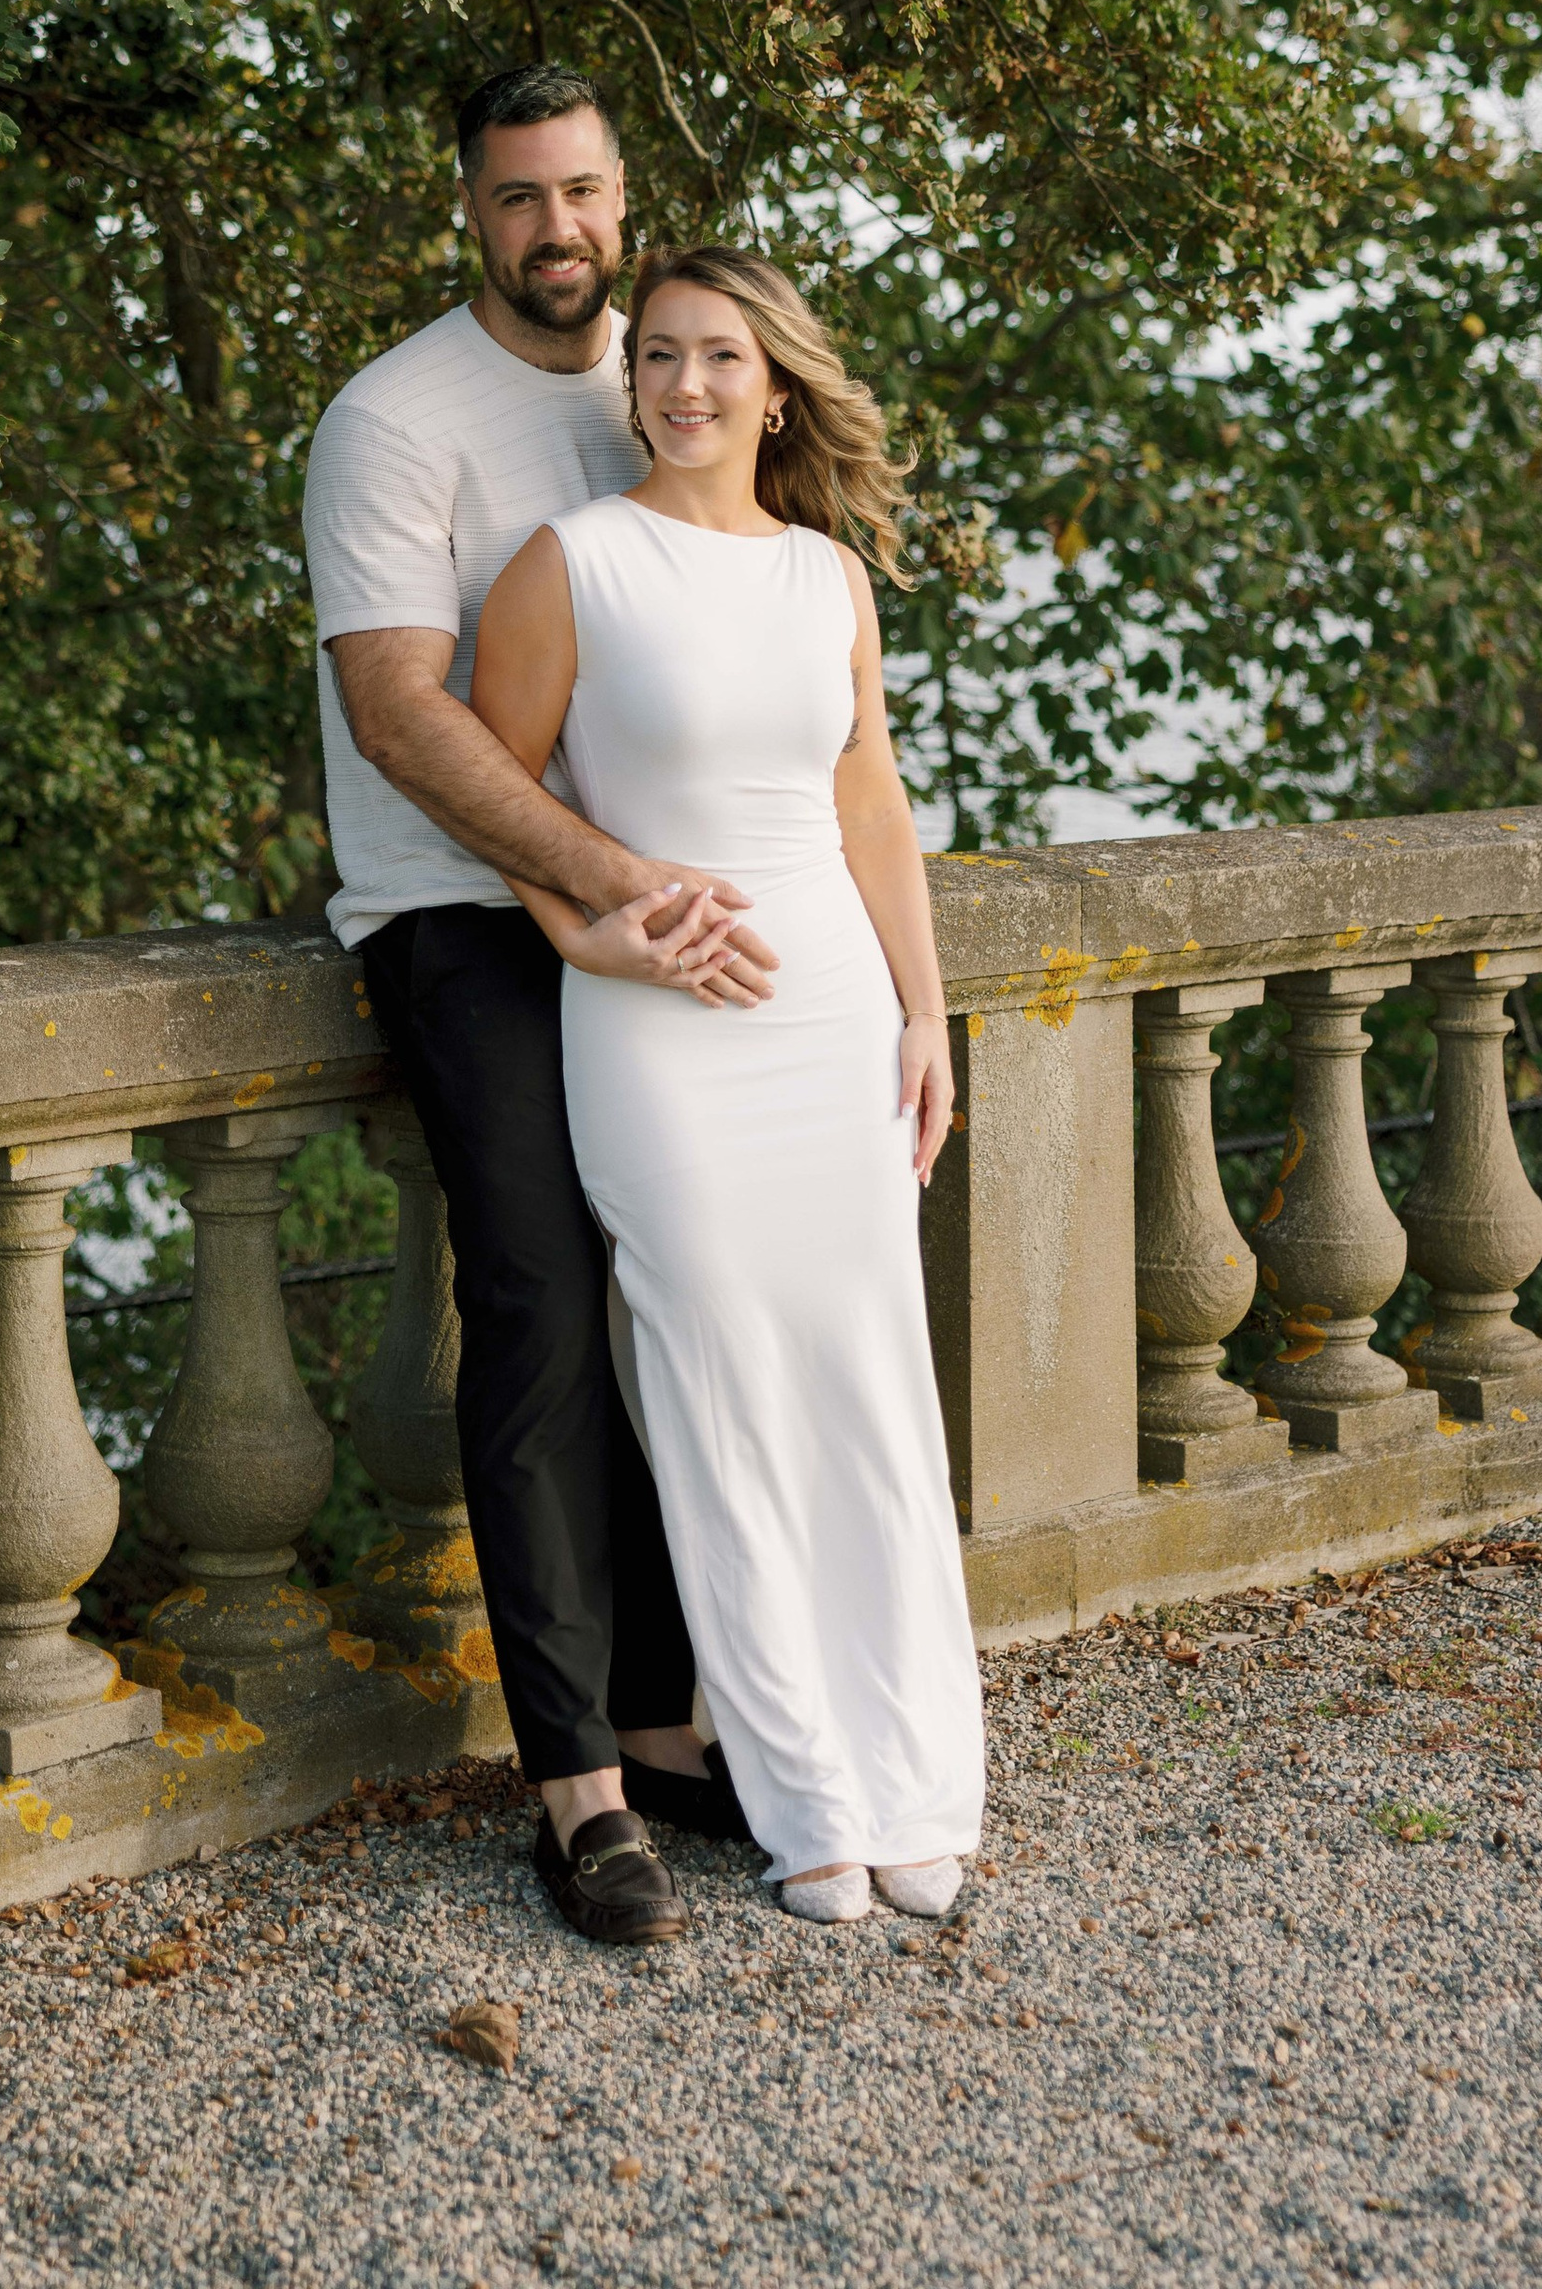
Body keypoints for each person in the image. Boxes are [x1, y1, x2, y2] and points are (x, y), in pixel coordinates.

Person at [303, 67, 779, 1948]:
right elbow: (402, 714)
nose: (557, 230)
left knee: (686, 1298)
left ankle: (672, 1724)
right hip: (462, 916)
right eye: (519, 201)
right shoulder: (395, 420)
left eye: (583, 192)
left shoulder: (675, 371)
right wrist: (600, 887)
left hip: (658, 904)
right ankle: (577, 1782)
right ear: (470, 213)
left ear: (624, 190)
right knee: (540, 1305)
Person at [469, 245, 986, 1921]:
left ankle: (918, 1781)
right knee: (719, 1393)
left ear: (779, 390)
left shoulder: (829, 579)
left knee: (864, 1388)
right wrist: (592, 938)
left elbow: (874, 808)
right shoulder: (572, 565)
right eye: (662, 357)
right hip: (657, 1043)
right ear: (635, 385)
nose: (686, 385)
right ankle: (803, 1798)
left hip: (833, 1014)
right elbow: (491, 793)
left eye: (720, 359)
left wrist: (925, 1015)